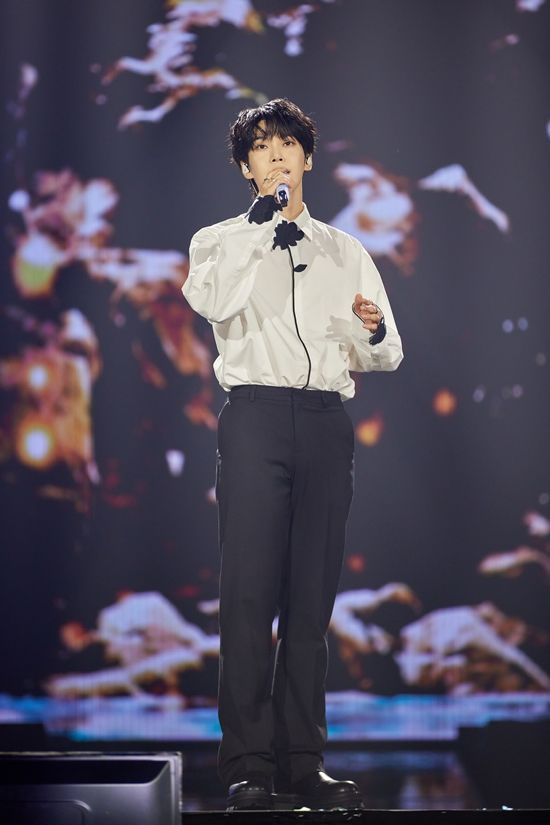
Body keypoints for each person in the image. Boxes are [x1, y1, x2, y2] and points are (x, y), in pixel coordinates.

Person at [182, 98, 403, 811]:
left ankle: (304, 760)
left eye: (287, 144)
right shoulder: (218, 241)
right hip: (253, 418)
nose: (276, 155)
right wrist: (258, 228)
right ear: (247, 169)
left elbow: (388, 352)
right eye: (261, 147)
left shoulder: (345, 250)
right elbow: (213, 303)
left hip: (324, 420)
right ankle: (247, 764)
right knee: (248, 597)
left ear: (307, 157)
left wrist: (370, 329)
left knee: (312, 602)